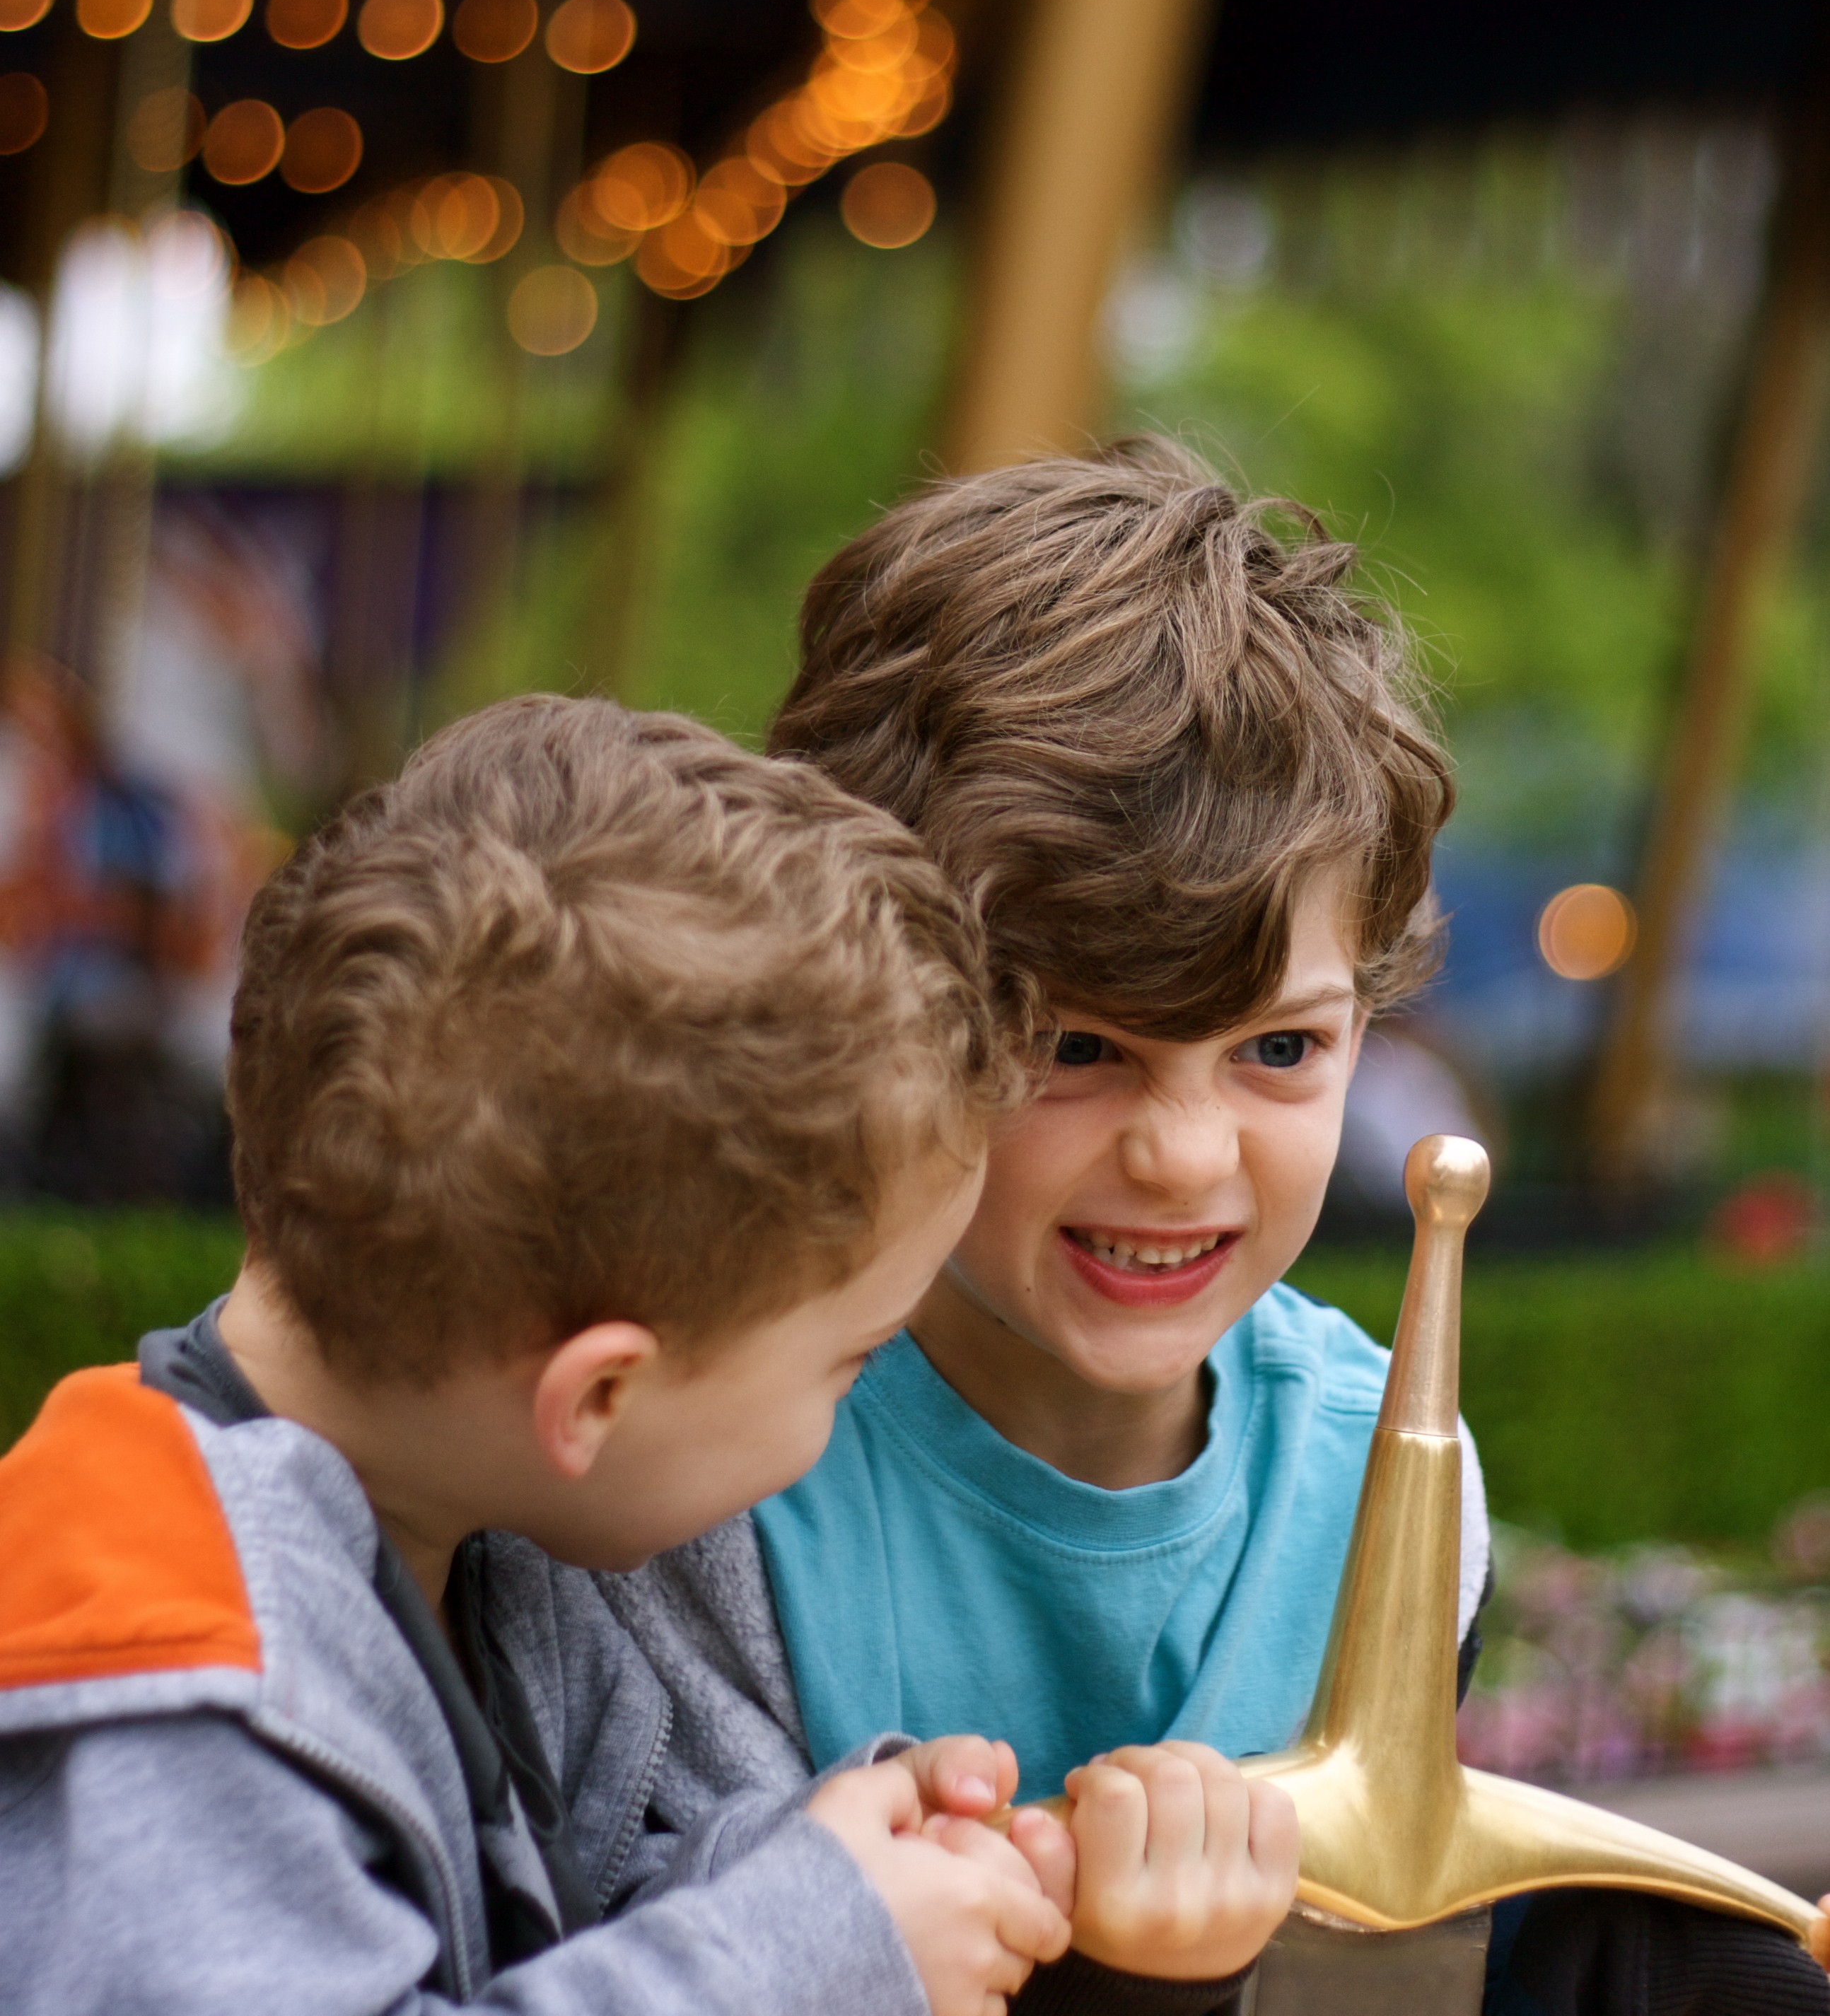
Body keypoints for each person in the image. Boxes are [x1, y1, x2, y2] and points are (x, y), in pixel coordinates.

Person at [602, 442, 1830, 2016]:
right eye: (1074, 1046)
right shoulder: (704, 1482)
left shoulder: (1372, 1492)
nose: (1184, 1160)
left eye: (1279, 1050)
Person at [0, 694, 1090, 2016]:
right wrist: (815, 1959)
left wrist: (833, 1866)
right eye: (853, 1361)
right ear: (599, 1395)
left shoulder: (463, 1534)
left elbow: (573, 1922)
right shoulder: (170, 1678)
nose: (854, 1402)